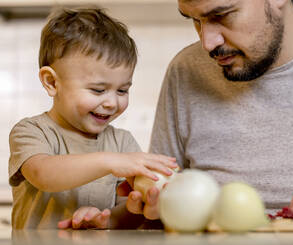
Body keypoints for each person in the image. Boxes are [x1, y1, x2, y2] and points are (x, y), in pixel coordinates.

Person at [123, 0, 293, 220]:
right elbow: (157, 201)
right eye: (195, 21)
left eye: (222, 15)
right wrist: (154, 211)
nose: (208, 43)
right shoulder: (186, 71)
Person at [8, 7, 178, 229]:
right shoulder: (31, 131)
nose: (112, 103)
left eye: (122, 90)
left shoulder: (123, 143)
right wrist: (111, 161)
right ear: (51, 82)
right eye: (98, 90)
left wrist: (108, 219)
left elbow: (130, 211)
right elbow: (43, 173)